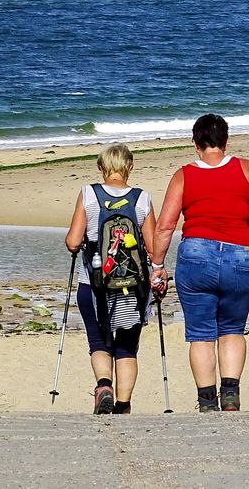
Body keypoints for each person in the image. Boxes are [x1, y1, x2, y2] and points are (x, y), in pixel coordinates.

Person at [153, 114, 249, 412]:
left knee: (200, 333)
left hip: (196, 253)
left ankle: (207, 400)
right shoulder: (246, 169)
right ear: (226, 141)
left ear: (196, 144)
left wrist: (157, 264)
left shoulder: (184, 175)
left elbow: (165, 226)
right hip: (240, 253)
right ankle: (231, 394)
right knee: (233, 328)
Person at [63, 144, 160, 414]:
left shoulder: (87, 194)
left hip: (93, 284)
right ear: (130, 167)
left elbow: (72, 242)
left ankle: (104, 386)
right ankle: (123, 405)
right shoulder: (142, 198)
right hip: (133, 286)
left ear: (101, 168)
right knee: (127, 348)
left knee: (98, 342)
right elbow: (152, 248)